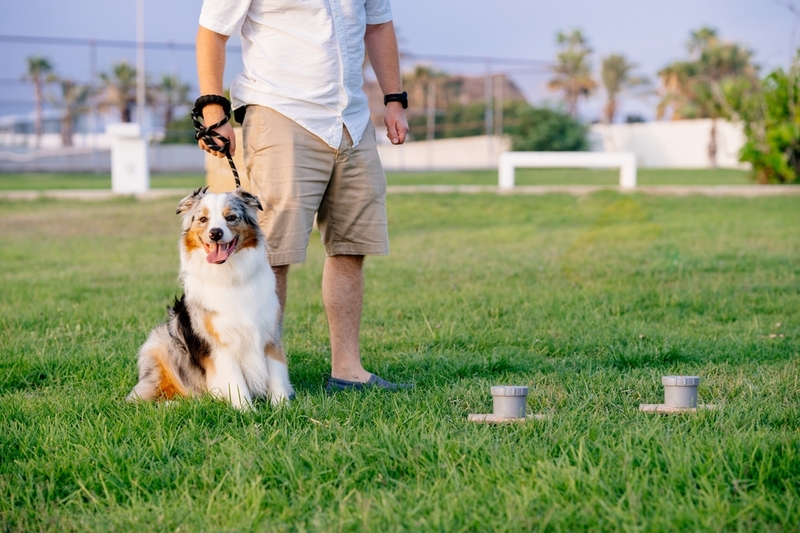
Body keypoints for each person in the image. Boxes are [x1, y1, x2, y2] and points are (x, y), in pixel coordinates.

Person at [195, 0, 410, 391]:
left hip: (351, 118)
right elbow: (212, 31)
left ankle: (349, 372)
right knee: (271, 251)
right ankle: (257, 373)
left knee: (351, 245)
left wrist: (394, 99)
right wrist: (213, 111)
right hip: (280, 111)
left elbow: (378, 25)